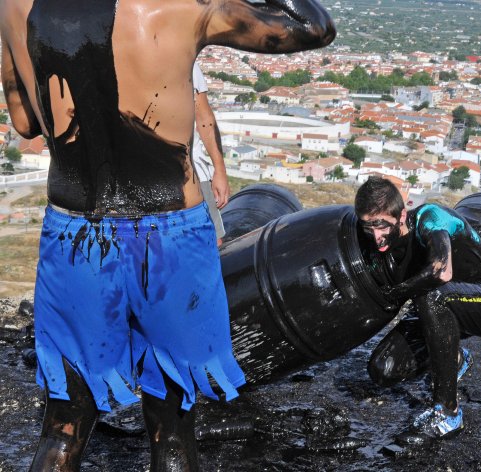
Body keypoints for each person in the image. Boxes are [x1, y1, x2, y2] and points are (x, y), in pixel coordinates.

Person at [0, 1, 335, 470]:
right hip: (172, 237)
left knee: (62, 431)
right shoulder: (180, 4)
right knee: (173, 433)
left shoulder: (17, 5)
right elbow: (313, 27)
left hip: (77, 233)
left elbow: (24, 121)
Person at [355, 177, 481, 442]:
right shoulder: (383, 246)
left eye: (381, 225)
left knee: (433, 297)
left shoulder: (431, 218)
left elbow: (442, 272)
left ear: (401, 215)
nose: (376, 236)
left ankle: (448, 413)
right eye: (368, 227)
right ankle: (456, 358)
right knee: (383, 369)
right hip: (439, 304)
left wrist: (398, 292)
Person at [192, 63, 227, 246]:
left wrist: (219, 171)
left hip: (192, 167)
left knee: (212, 241)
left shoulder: (187, 61)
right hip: (143, 173)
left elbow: (204, 118)